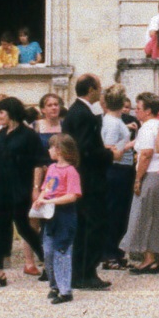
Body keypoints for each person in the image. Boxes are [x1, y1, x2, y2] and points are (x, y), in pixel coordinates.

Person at [0, 96, 47, 288]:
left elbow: (38, 163)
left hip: (19, 188)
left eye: (1, 112)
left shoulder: (28, 135)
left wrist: (35, 189)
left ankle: (47, 261)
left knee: (24, 226)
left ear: (11, 112)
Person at [62, 75, 113, 290]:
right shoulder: (84, 115)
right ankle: (86, 272)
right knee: (92, 225)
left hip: (82, 177)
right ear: (91, 89)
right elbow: (85, 149)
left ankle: (80, 271)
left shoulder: (75, 112)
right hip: (89, 178)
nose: (100, 92)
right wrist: (110, 155)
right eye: (98, 88)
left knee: (84, 226)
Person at [123, 93, 159, 273]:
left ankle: (149, 258)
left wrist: (137, 179)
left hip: (150, 173)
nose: (136, 111)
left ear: (148, 111)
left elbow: (146, 154)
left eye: (139, 108)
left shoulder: (146, 128)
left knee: (144, 215)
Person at [36, 133, 82, 304]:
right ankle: (53, 284)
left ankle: (65, 289)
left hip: (64, 214)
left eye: (51, 147)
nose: (49, 150)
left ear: (60, 150)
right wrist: (41, 199)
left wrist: (53, 200)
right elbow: (46, 188)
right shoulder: (52, 168)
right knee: (48, 251)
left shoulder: (71, 171)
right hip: (50, 213)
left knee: (62, 251)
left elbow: (72, 195)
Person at [99, 85, 136, 270]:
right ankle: (109, 253)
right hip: (117, 169)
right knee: (115, 212)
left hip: (122, 169)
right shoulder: (113, 123)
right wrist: (131, 145)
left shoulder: (113, 120)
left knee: (120, 212)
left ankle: (115, 251)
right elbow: (110, 148)